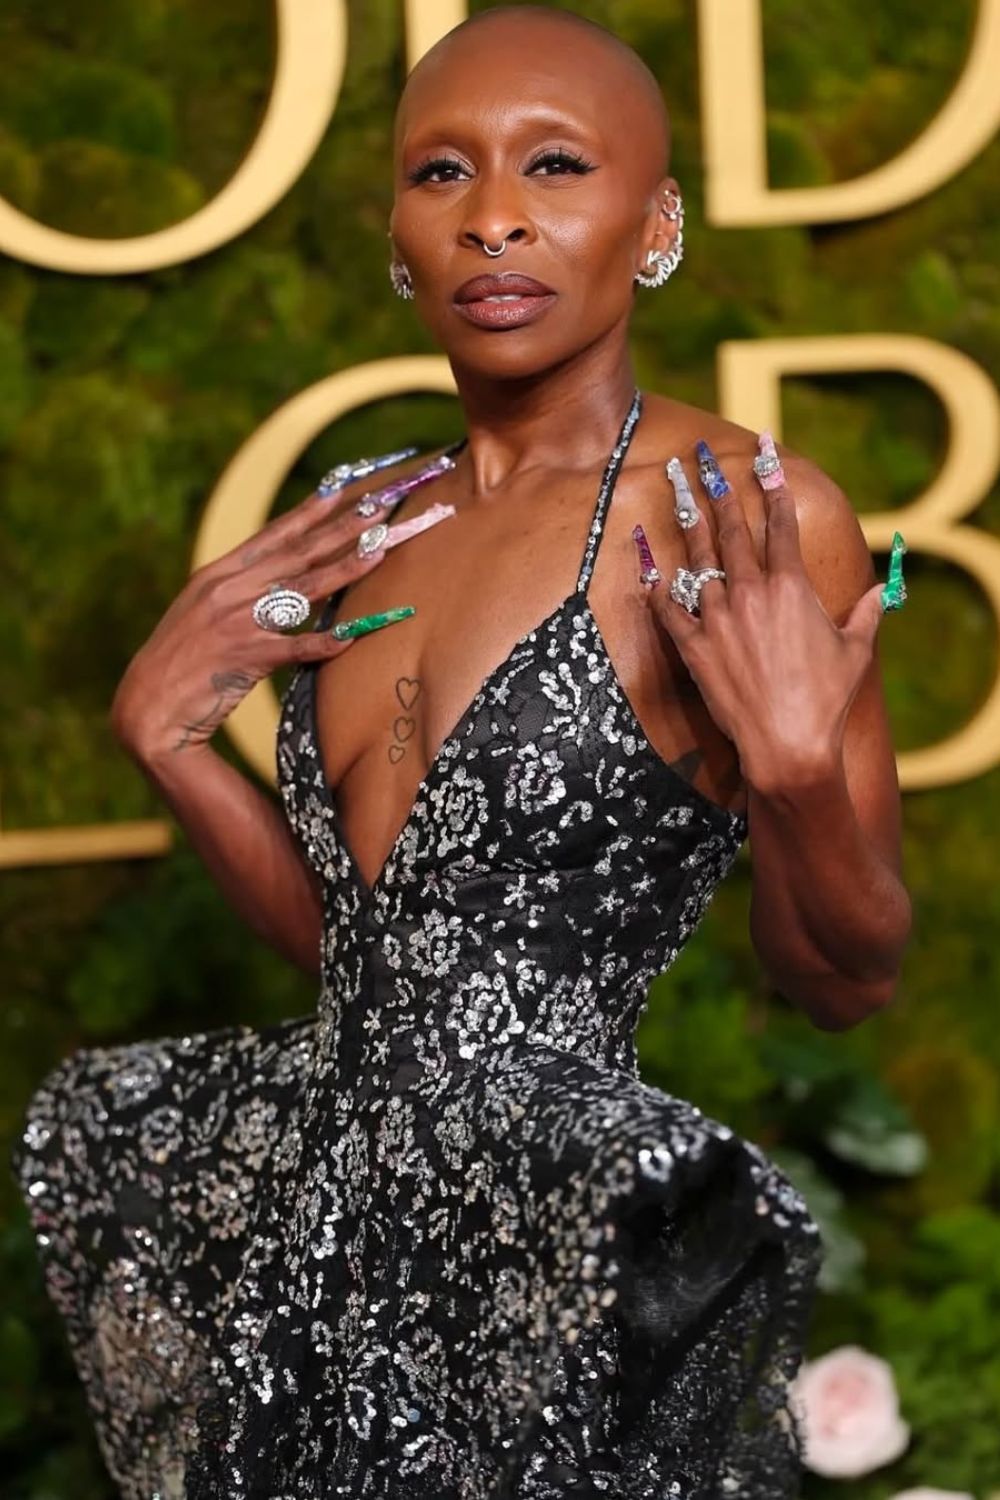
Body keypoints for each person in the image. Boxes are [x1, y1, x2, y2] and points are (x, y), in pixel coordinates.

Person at [13, 7, 912, 1497]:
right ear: (397, 235)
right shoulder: (361, 517)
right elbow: (372, 952)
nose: (494, 217)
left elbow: (846, 980)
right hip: (319, 1242)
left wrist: (803, 780)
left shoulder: (740, 515)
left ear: (658, 221)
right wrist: (168, 746)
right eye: (442, 174)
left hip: (553, 1259)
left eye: (553, 166)